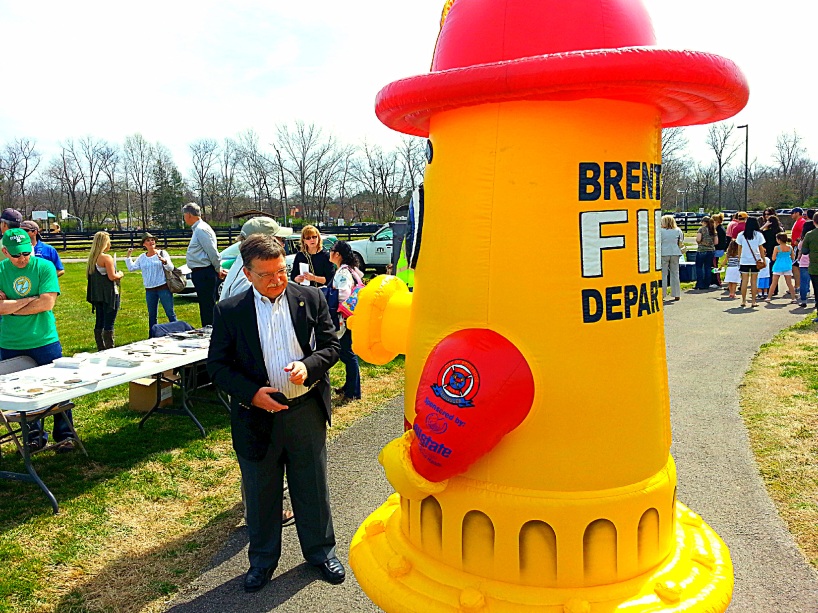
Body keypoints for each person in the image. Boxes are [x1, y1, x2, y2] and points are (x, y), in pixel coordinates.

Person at [207, 234, 344, 593]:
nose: (277, 280)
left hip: (304, 411)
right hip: (257, 417)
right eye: (266, 275)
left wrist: (309, 366)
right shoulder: (230, 311)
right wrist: (252, 394)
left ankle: (320, 552)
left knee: (311, 487)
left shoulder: (310, 298)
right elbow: (217, 367)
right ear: (247, 273)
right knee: (261, 491)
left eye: (281, 271)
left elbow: (333, 346)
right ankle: (263, 562)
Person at [0, 228, 74, 452]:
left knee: (58, 388)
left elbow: (46, 304)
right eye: (16, 255)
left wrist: (10, 306)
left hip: (44, 339)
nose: (22, 259)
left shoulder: (44, 267)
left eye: (25, 253)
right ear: (5, 252)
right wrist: (30, 299)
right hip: (11, 343)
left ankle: (65, 434)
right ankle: (33, 436)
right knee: (21, 393)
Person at [220, 217, 292, 301]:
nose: (283, 244)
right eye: (280, 240)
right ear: (264, 242)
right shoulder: (246, 280)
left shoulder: (245, 262)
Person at [329, 241, 363, 401]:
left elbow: (343, 295)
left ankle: (353, 392)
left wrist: (330, 300)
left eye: (332, 250)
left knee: (348, 354)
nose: (330, 253)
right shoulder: (351, 270)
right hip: (351, 317)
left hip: (343, 318)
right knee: (347, 353)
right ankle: (350, 386)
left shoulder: (342, 273)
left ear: (338, 255)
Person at [126, 232, 178, 333]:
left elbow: (171, 268)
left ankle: (178, 332)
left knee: (170, 312)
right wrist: (128, 256)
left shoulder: (162, 253)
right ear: (144, 244)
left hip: (163, 288)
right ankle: (152, 335)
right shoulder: (142, 257)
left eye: (152, 240)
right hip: (150, 290)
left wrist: (164, 261)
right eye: (148, 240)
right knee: (152, 315)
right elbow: (131, 268)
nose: (151, 242)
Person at [183, 203, 225, 327]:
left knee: (207, 305)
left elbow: (212, 251)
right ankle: (209, 328)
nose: (184, 218)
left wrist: (218, 269)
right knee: (205, 304)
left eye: (184, 215)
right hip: (201, 272)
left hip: (205, 272)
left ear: (189, 215)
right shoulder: (198, 229)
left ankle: (211, 330)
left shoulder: (201, 229)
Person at [86, 231, 123, 350]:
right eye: (109, 241)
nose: (110, 244)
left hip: (98, 295)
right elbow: (112, 276)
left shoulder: (92, 258)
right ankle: (109, 347)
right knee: (109, 322)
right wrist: (120, 274)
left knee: (99, 320)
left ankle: (100, 347)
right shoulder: (106, 258)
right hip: (109, 295)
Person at [736, 216, 766, 308]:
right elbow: (761, 249)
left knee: (744, 281)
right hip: (755, 260)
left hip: (744, 260)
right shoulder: (758, 235)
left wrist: (739, 258)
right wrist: (763, 259)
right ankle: (753, 301)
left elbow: (739, 248)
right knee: (754, 281)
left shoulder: (741, 235)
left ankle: (743, 300)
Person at [765, 233, 798, 303]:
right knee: (789, 283)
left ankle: (769, 297)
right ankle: (793, 298)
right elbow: (793, 257)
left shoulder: (777, 248)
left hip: (778, 266)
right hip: (787, 266)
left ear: (779, 240)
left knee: (774, 283)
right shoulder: (790, 247)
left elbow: (773, 258)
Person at [659, 215, 684, 301]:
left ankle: (662, 294)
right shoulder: (678, 230)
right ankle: (676, 293)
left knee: (663, 274)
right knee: (675, 273)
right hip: (675, 252)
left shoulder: (660, 231)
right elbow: (681, 241)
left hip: (664, 252)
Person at [799, 212, 818, 322]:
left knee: (817, 289)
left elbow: (805, 251)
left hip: (815, 266)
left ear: (814, 222)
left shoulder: (810, 234)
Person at [760, 214, 782, 295]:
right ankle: (775, 289)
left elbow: (758, 233)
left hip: (769, 253)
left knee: (769, 272)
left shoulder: (766, 232)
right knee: (776, 273)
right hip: (779, 253)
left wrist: (764, 226)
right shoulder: (780, 231)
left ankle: (770, 288)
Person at [796, 214, 815, 307]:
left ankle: (803, 300)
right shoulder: (813, 236)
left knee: (804, 282)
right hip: (813, 262)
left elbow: (801, 250)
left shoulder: (803, 239)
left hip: (804, 262)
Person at [694, 216, 716, 290]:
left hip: (702, 250)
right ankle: (707, 284)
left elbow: (698, 239)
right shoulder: (713, 230)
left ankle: (700, 284)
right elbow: (716, 242)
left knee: (699, 267)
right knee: (708, 267)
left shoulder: (701, 229)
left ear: (704, 222)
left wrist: (698, 241)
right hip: (711, 250)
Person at [712, 213, 728, 287]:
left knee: (715, 266)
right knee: (713, 265)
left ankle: (717, 281)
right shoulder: (720, 228)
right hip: (719, 249)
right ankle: (714, 280)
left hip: (718, 249)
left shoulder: (719, 229)